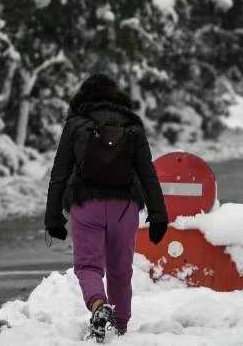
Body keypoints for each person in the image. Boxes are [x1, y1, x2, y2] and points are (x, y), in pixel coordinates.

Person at [44, 74, 169, 341]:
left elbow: (59, 173)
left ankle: (99, 305)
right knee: (120, 270)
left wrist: (53, 217)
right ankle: (121, 328)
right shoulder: (133, 125)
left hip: (85, 205)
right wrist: (159, 215)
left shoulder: (75, 125)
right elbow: (147, 173)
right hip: (124, 208)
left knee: (88, 266)